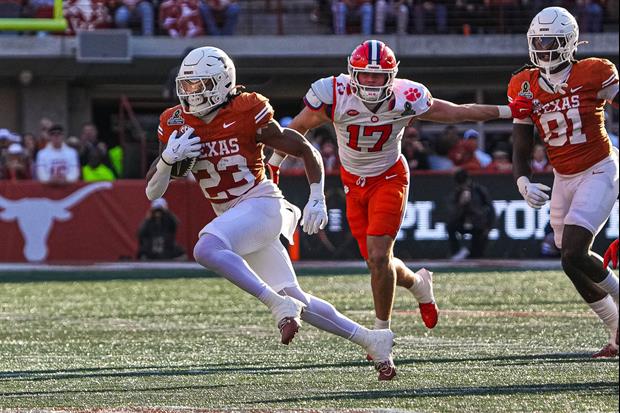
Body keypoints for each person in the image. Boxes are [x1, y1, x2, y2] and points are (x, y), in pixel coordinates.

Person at [266, 39, 532, 372]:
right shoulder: (334, 93)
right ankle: (419, 284)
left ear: (392, 76)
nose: (373, 83)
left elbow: (456, 112)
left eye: (380, 77)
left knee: (379, 257)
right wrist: (275, 161)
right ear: (352, 73)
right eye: (366, 76)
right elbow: (299, 128)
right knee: (379, 263)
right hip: (352, 183)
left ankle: (381, 336)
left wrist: (508, 111)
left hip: (390, 177)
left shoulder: (407, 97)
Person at [145, 46, 398, 380]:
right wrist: (166, 161)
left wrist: (317, 196)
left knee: (206, 247)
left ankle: (276, 305)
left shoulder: (247, 108)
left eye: (201, 85)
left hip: (261, 204)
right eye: (188, 86)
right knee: (296, 296)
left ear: (222, 82)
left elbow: (302, 148)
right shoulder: (175, 121)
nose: (192, 94)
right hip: (236, 217)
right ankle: (373, 340)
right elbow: (152, 190)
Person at [509, 7, 619, 358]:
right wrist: (522, 180)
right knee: (570, 260)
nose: (542, 48)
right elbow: (521, 140)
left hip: (599, 167)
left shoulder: (594, 72)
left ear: (569, 42)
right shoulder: (522, 83)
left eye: (550, 41)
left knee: (574, 249)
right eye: (537, 41)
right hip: (563, 177)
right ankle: (616, 329)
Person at [446, 169, 496, 260]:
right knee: (450, 227)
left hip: (478, 224)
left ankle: (473, 254)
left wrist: (489, 226)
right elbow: (452, 213)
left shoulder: (479, 190)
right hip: (461, 223)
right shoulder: (456, 193)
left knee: (476, 255)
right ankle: (457, 252)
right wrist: (461, 204)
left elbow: (490, 209)